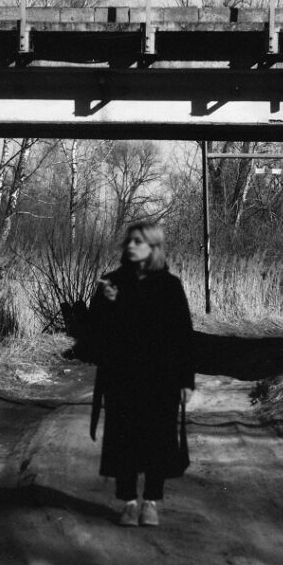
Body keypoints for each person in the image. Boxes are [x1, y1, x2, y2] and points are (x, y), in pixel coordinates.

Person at [88, 220, 195, 527]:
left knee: (158, 439)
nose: (130, 246)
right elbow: (92, 334)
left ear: (153, 247)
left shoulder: (169, 286)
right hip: (122, 375)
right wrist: (104, 305)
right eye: (129, 241)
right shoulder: (112, 282)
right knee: (123, 439)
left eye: (138, 241)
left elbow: (183, 336)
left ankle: (150, 502)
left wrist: (186, 379)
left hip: (161, 378)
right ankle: (129, 503)